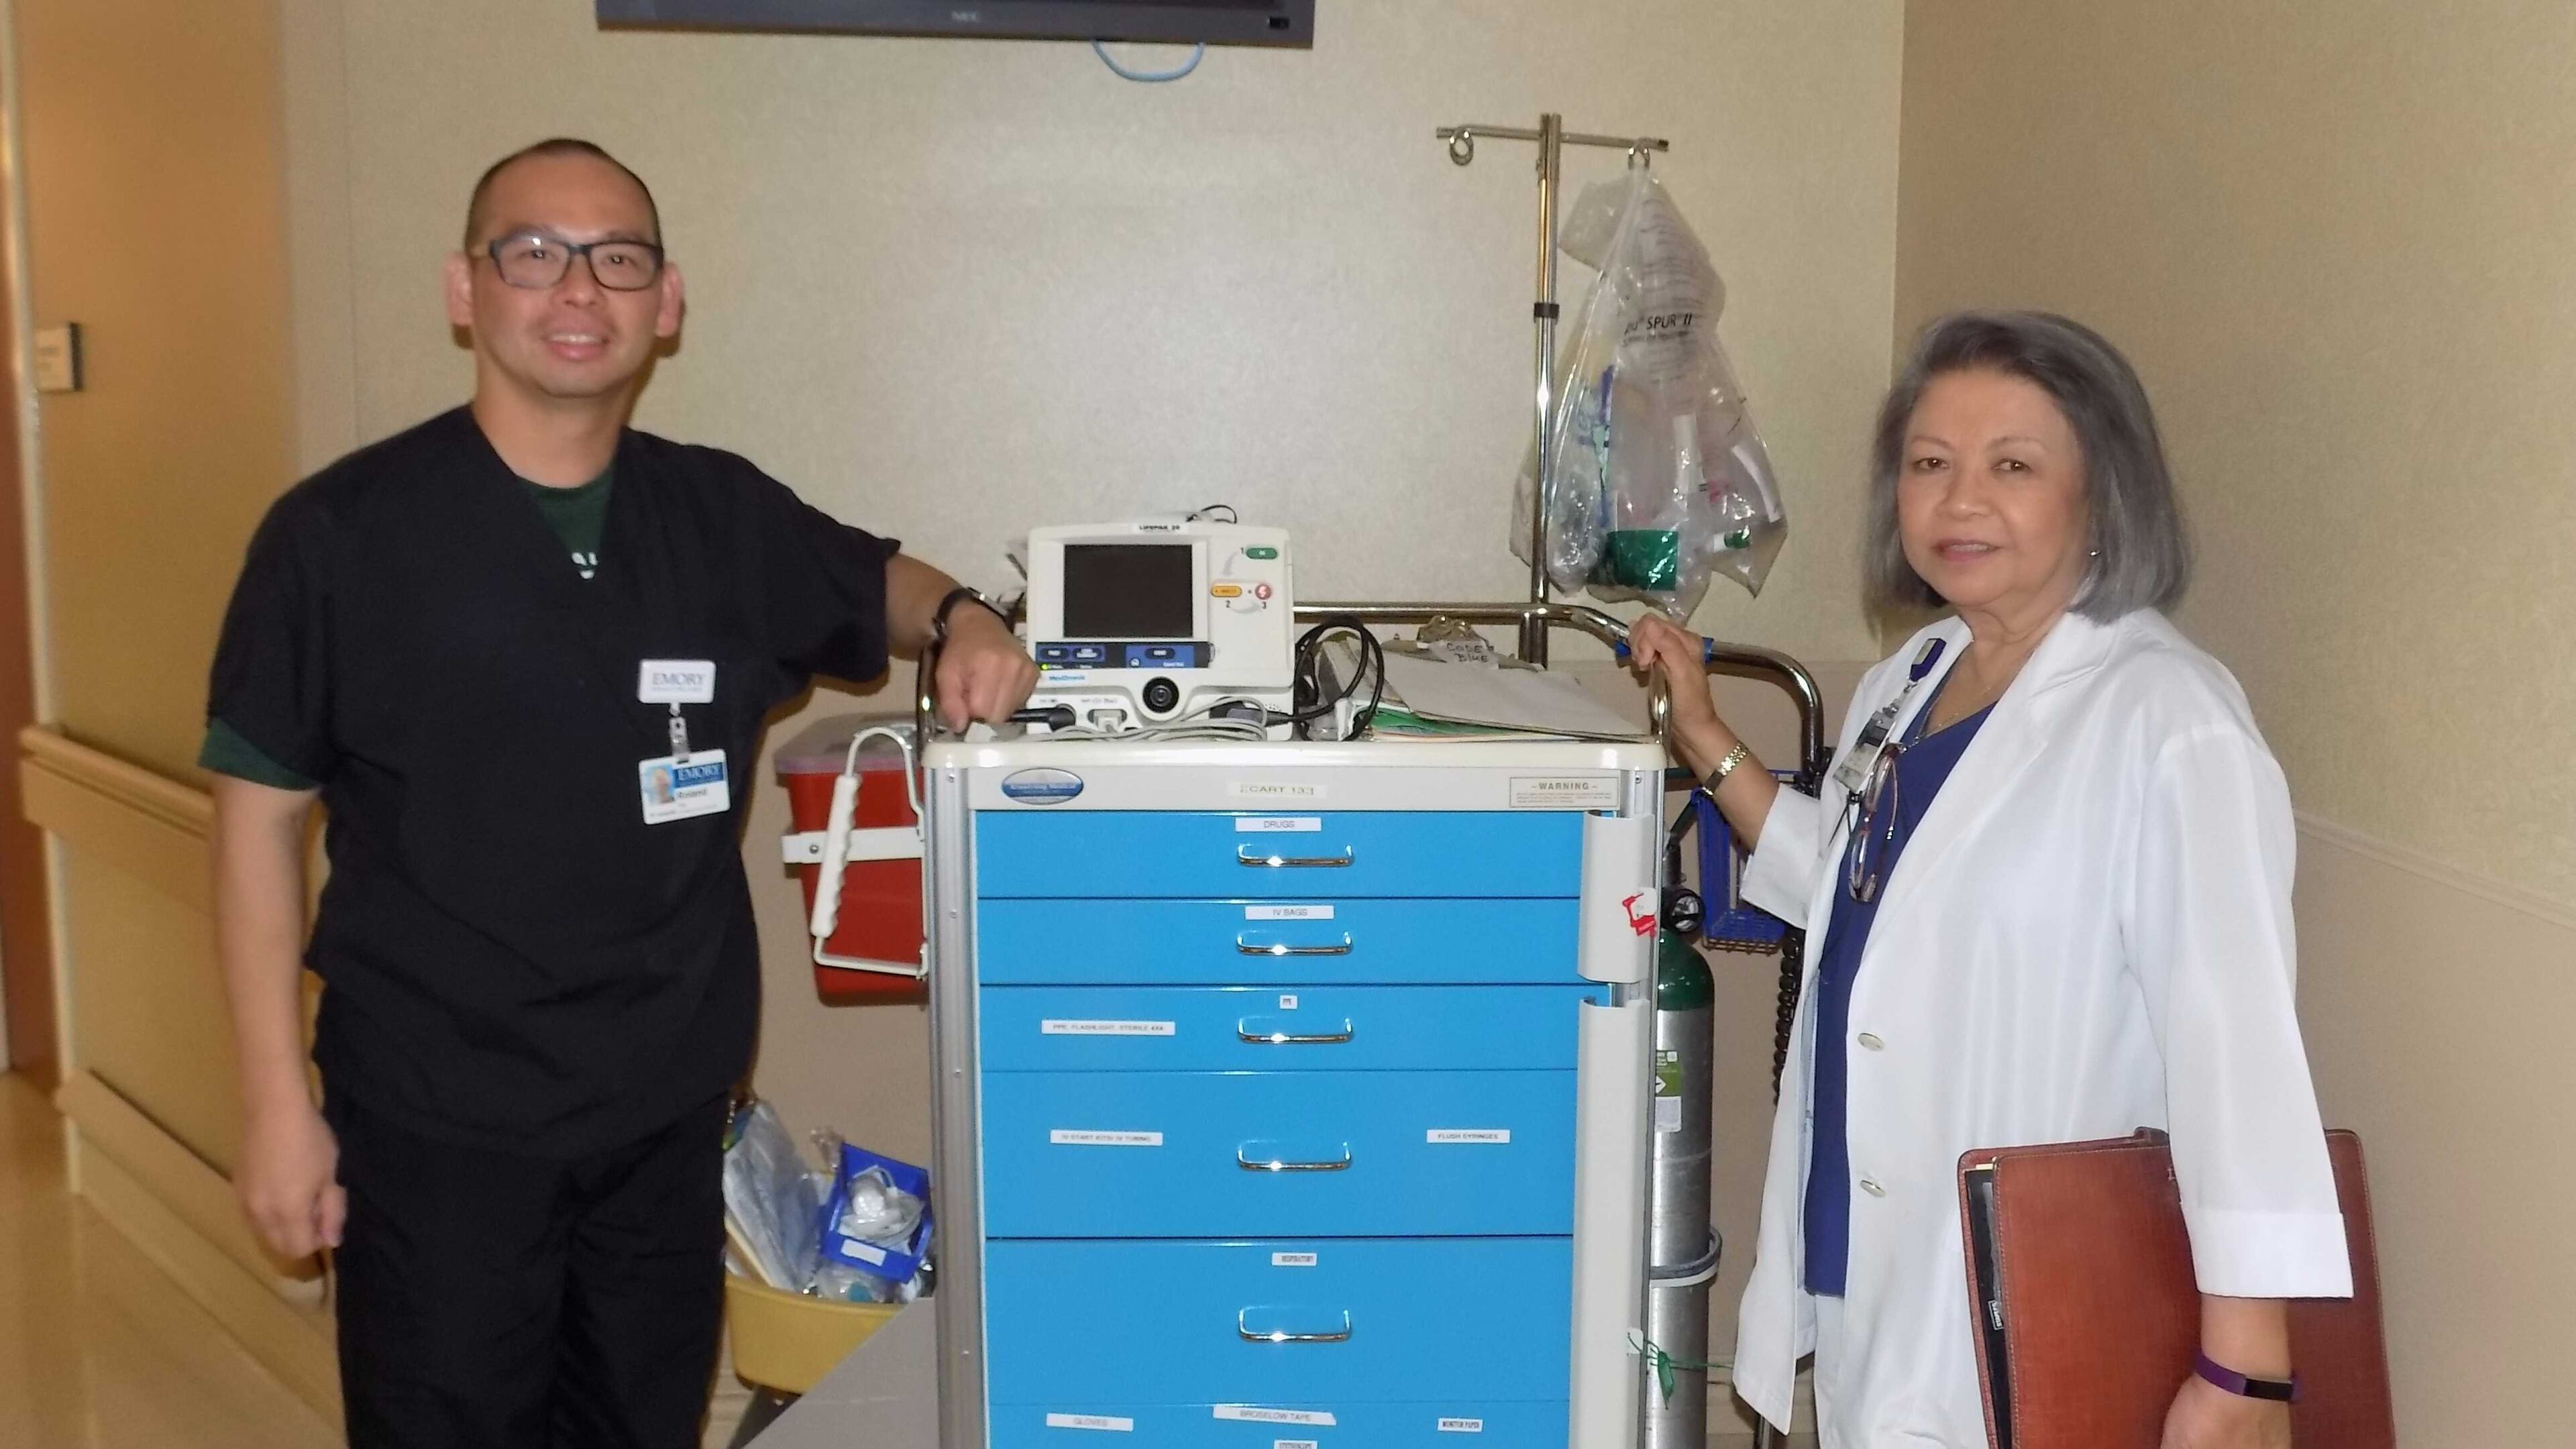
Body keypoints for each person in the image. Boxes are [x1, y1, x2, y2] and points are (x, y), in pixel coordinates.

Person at [204, 138, 1038, 1448]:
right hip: (437, 1121)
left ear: (669, 302)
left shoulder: (718, 516)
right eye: (532, 253)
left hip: (662, 1113)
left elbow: (877, 580)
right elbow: (255, 821)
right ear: (464, 291)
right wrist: (273, 1107)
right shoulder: (340, 539)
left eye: (619, 259)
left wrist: (968, 620)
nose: (578, 289)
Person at [1627, 311, 2350, 1449]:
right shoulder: (1908, 683)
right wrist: (1708, 740)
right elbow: (1871, 900)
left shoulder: (2170, 722)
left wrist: (2246, 1372)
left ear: (2102, 494)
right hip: (1873, 1259)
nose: (1960, 502)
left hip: (2039, 1297)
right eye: (1929, 465)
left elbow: (2237, 1052)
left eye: (2013, 465)